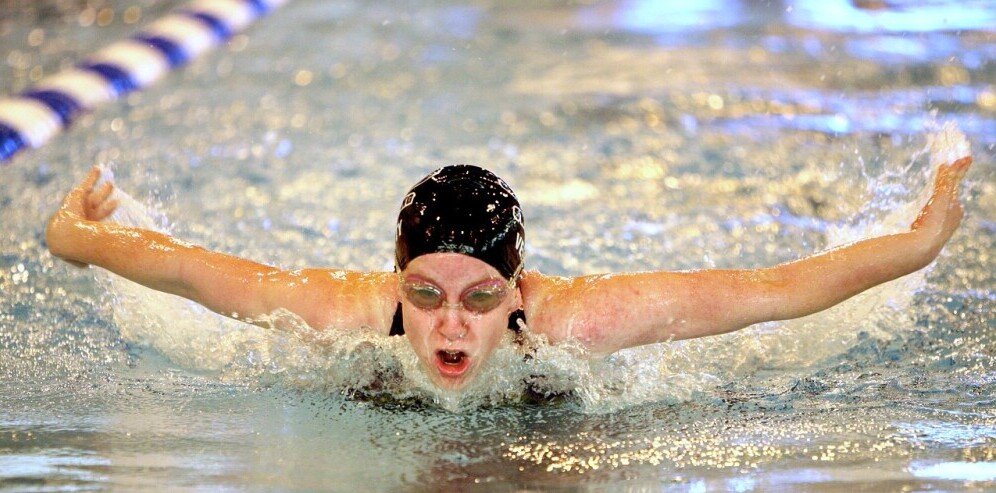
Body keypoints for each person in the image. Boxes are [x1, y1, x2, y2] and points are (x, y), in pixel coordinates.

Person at [46, 155, 972, 392]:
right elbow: (194, 273)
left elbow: (774, 293)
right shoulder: (340, 311)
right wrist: (79, 234)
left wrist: (921, 242)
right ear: (395, 280)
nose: (451, 327)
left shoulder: (574, 324)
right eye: (427, 296)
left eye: (482, 298)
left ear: (519, 292)